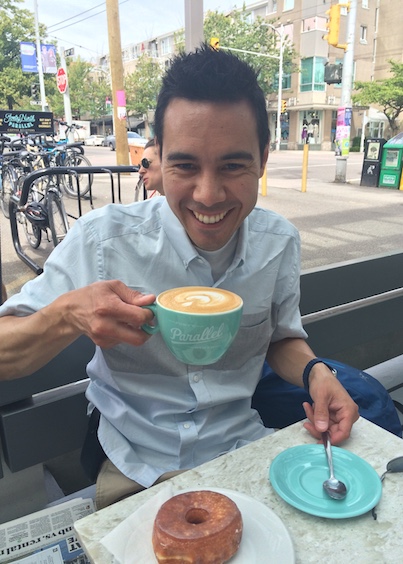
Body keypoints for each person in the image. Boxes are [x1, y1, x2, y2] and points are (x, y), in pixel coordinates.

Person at [0, 44, 358, 509]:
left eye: (233, 165)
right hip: (133, 464)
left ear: (264, 158)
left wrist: (315, 372)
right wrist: (68, 314)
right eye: (185, 166)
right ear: (157, 159)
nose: (208, 196)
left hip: (244, 449)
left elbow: (281, 338)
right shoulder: (103, 240)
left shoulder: (278, 243)